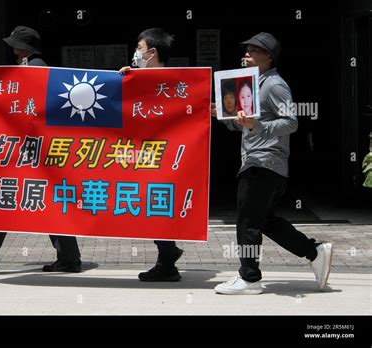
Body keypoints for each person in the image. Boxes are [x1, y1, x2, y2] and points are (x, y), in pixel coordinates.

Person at [211, 32, 333, 294]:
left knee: (247, 221)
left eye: (255, 50)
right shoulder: (252, 84)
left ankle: (250, 278)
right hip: (260, 162)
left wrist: (257, 125)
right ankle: (314, 251)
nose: (247, 54)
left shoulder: (274, 84)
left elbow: (291, 122)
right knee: (265, 220)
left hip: (265, 162)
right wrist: (222, 114)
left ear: (269, 57)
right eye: (247, 50)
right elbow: (240, 125)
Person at [0, 26, 82, 274]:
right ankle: (69, 258)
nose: (11, 48)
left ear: (21, 48)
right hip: (38, 148)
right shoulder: (38, 67)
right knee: (47, 202)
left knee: (6, 196)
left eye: (14, 44)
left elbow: (30, 110)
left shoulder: (33, 69)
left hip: (30, 148)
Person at [119, 28, 184, 282]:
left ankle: (168, 263)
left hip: (164, 158)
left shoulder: (173, 84)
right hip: (145, 157)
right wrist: (126, 80)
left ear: (152, 52)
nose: (136, 53)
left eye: (139, 47)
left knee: (157, 208)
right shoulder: (139, 78)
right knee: (153, 209)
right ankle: (168, 255)